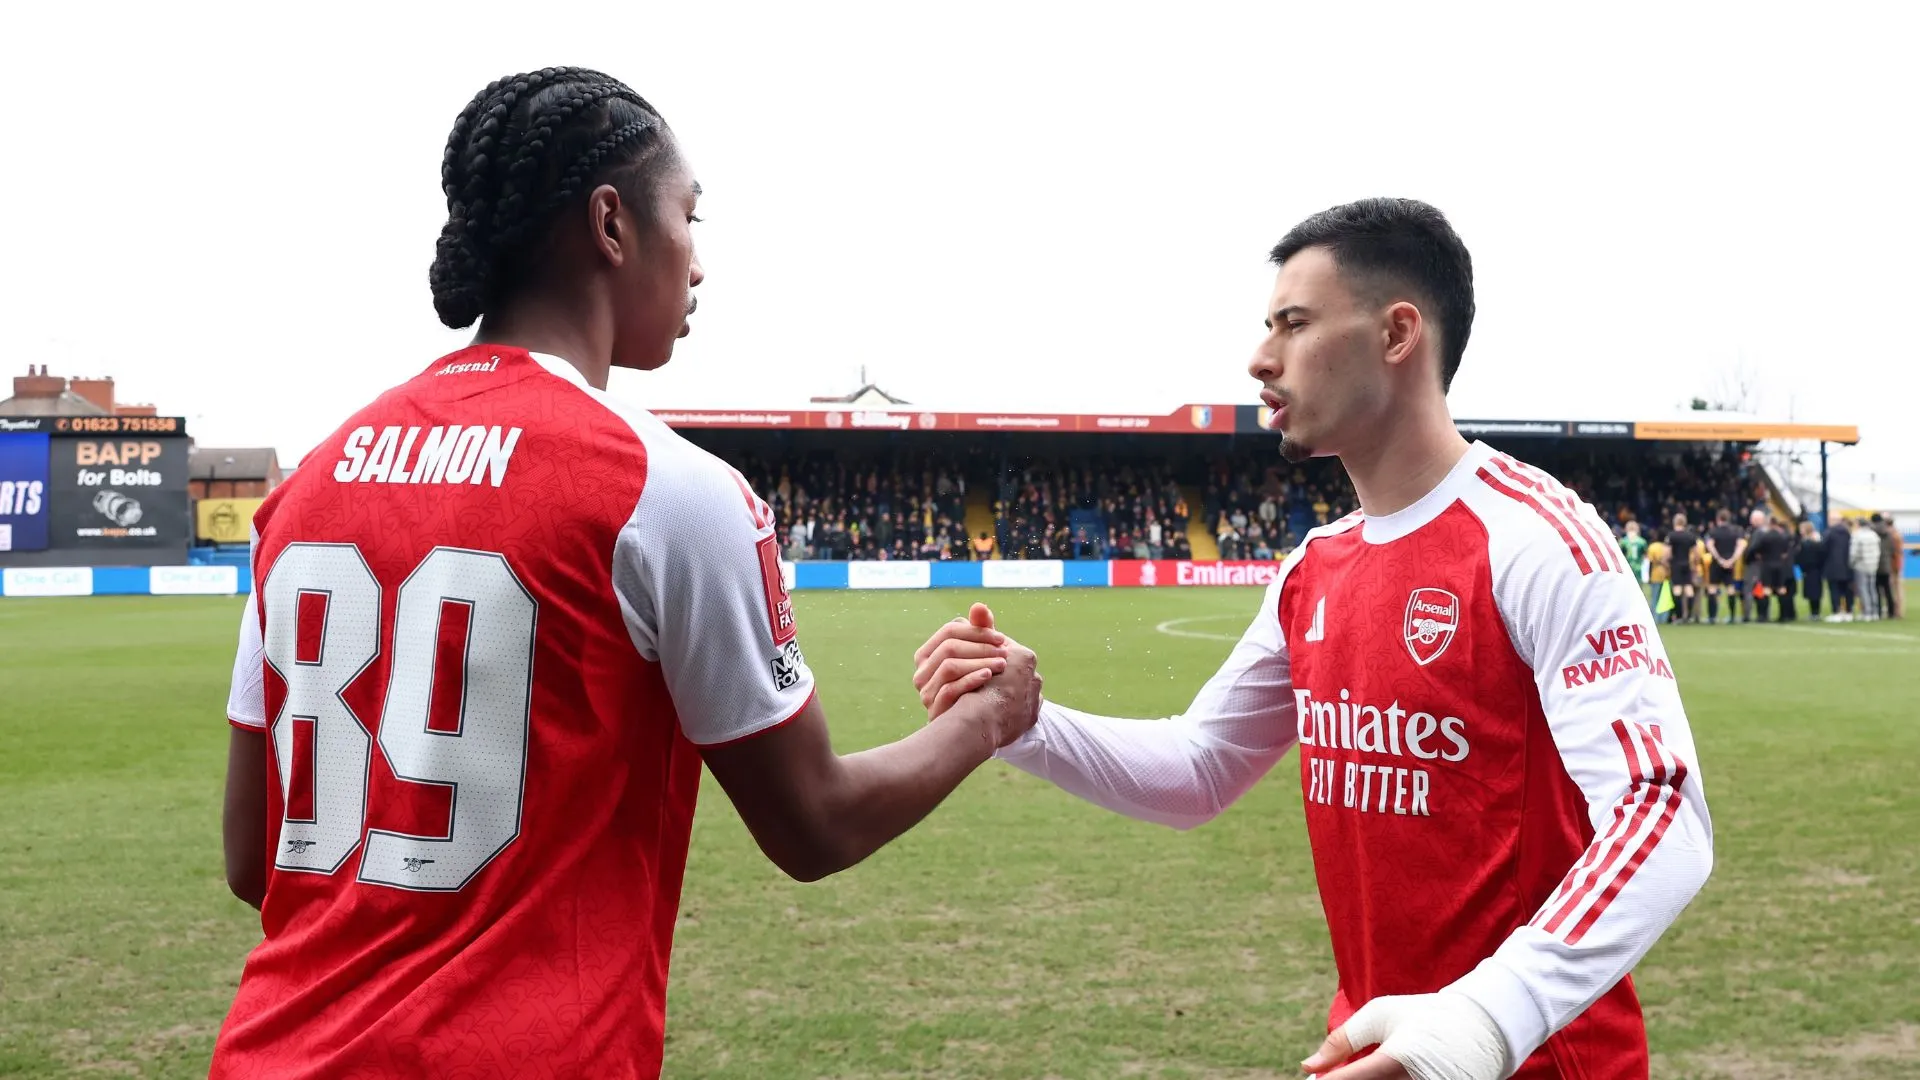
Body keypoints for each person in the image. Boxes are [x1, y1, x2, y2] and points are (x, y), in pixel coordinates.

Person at [212, 68, 1043, 1080]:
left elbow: (255, 861)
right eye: (689, 217)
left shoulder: (304, 489)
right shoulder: (666, 490)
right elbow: (814, 822)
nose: (699, 264)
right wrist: (987, 717)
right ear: (612, 224)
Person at [916, 199, 1712, 1080]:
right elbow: (1200, 768)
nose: (1261, 358)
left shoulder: (1535, 539)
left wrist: (1481, 1025)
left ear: (1398, 333)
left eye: (1293, 325)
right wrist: (1025, 723)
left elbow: (1663, 812)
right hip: (1367, 1050)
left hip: (1531, 1059)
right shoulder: (1312, 569)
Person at [1745, 511, 1791, 623]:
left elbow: (1755, 549)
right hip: (1780, 565)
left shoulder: (1765, 536)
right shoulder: (1783, 536)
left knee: (1766, 589)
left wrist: (1756, 556)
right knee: (1781, 589)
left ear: (1769, 523)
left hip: (1767, 564)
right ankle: (1783, 615)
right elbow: (1786, 551)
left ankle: (1763, 616)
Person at [1705, 509, 1746, 624]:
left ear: (1718, 519)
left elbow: (1710, 546)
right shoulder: (1736, 531)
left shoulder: (1713, 531)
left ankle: (1712, 617)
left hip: (1716, 564)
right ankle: (1732, 616)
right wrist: (1732, 560)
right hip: (1730, 564)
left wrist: (1719, 559)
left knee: (1712, 588)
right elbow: (1741, 546)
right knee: (1731, 589)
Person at [1666, 512, 1700, 624]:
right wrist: (1695, 565)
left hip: (1676, 565)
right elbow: (1696, 553)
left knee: (1677, 590)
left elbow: (1668, 553)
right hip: (1686, 564)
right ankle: (1688, 616)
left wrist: (1666, 563)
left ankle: (1679, 616)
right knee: (1689, 589)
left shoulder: (1671, 536)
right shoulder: (1690, 536)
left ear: (1674, 522)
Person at [1849, 516, 1883, 621]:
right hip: (1873, 565)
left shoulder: (1857, 535)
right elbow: (1878, 551)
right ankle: (1875, 612)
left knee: (1863, 589)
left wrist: (1851, 563)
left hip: (1861, 565)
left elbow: (1854, 553)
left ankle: (1867, 612)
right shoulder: (1874, 535)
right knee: (1872, 588)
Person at [1822, 515, 1854, 621]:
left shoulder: (1829, 533)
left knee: (1834, 590)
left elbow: (1824, 549)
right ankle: (1849, 611)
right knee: (1847, 590)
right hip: (1847, 565)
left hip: (1832, 566)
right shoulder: (1848, 533)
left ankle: (1837, 611)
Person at [1794, 520, 1825, 619]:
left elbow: (1801, 557)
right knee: (1813, 591)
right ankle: (1814, 612)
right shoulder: (1811, 541)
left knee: (1814, 592)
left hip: (1811, 569)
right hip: (1813, 569)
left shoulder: (1809, 542)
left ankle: (1815, 612)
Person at [1870, 513, 1899, 619]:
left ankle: (1878, 612)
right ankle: (1891, 612)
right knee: (1888, 590)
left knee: (1876, 590)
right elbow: (1892, 549)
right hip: (1886, 564)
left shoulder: (1871, 532)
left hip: (1874, 564)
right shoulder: (1888, 532)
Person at [1618, 519, 1650, 610]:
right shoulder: (1642, 541)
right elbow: (1645, 556)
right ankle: (1639, 609)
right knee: (1639, 590)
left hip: (1627, 568)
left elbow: (1619, 555)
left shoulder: (1623, 541)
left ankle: (1627, 609)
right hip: (1638, 567)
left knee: (1627, 590)